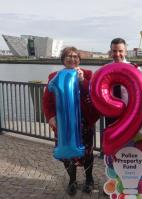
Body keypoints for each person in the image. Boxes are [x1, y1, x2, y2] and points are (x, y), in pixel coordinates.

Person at [43, 47, 100, 196]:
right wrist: (50, 117)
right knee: (66, 154)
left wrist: (82, 81)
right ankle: (72, 180)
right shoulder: (54, 76)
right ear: (63, 59)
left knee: (87, 153)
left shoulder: (87, 74)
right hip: (62, 123)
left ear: (79, 60)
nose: (72, 59)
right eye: (68, 56)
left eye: (75, 56)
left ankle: (89, 179)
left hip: (84, 121)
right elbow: (47, 100)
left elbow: (94, 95)